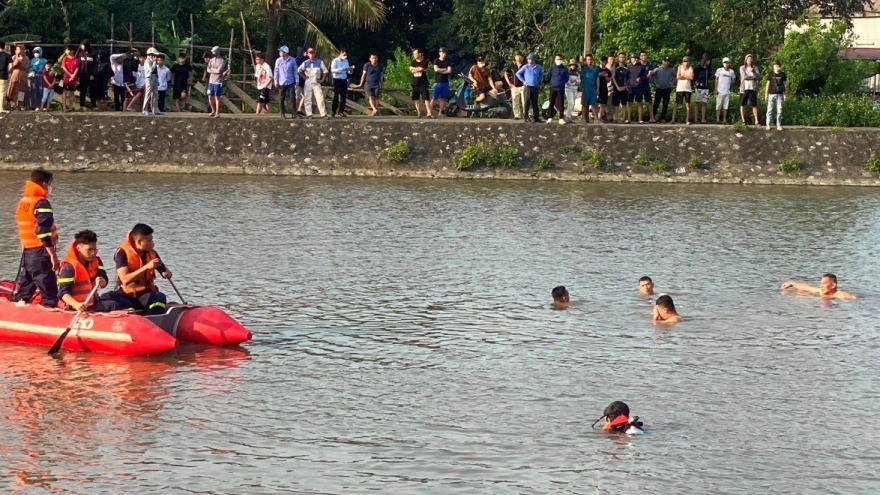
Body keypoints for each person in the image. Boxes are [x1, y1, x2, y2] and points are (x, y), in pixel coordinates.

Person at [11, 169, 59, 308]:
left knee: (27, 284)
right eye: (49, 184)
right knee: (48, 286)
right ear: (44, 184)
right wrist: (52, 255)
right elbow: (43, 232)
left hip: (27, 250)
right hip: (40, 250)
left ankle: (19, 305)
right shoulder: (41, 203)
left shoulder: (23, 202)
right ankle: (50, 309)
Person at [58, 230, 132, 312]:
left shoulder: (97, 260)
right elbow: (63, 293)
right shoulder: (68, 267)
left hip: (94, 302)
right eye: (89, 250)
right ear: (78, 248)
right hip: (78, 307)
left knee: (126, 302)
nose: (93, 253)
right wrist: (76, 304)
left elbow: (104, 279)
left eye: (94, 249)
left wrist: (103, 281)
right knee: (114, 305)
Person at [114, 223, 172, 315]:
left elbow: (165, 271)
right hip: (127, 295)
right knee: (110, 298)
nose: (152, 243)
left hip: (146, 295)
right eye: (149, 241)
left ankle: (153, 319)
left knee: (160, 297)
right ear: (139, 242)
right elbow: (124, 279)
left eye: (152, 240)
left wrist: (166, 273)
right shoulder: (122, 253)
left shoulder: (152, 253)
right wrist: (146, 267)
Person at [298, 47, 328, 119]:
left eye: (313, 53)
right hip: (308, 81)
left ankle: (323, 114)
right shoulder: (305, 63)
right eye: (310, 53)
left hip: (316, 81)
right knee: (307, 98)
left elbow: (325, 71)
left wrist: (322, 80)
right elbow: (299, 70)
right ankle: (309, 114)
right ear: (308, 54)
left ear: (314, 54)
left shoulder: (319, 62)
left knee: (320, 98)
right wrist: (304, 77)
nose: (312, 55)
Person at [781, 274, 855, 300]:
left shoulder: (840, 295)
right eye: (821, 283)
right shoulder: (821, 291)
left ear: (833, 285)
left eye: (824, 284)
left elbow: (853, 298)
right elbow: (806, 288)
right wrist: (792, 284)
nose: (821, 286)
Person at [516, 53, 542, 123]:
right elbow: (518, 73)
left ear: (533, 60)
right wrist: (523, 81)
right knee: (527, 101)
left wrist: (538, 81)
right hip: (528, 86)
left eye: (530, 59)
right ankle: (526, 117)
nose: (529, 60)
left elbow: (540, 75)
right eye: (528, 59)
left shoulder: (538, 67)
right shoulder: (526, 67)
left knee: (535, 102)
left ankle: (536, 117)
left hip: (535, 86)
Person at [274, 45, 299, 118]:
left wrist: (297, 79)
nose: (280, 53)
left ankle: (294, 113)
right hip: (282, 82)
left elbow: (295, 70)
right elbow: (276, 71)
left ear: (285, 53)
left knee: (292, 98)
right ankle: (282, 113)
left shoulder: (292, 60)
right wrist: (276, 81)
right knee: (281, 98)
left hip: (290, 81)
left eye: (281, 51)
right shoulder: (278, 60)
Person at [409, 48, 431, 118]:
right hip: (415, 82)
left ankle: (429, 113)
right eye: (413, 54)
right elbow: (411, 70)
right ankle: (419, 112)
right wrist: (418, 69)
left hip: (423, 82)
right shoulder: (413, 62)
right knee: (416, 98)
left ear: (419, 54)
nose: (414, 55)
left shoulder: (425, 61)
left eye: (415, 54)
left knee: (426, 98)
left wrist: (415, 69)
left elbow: (421, 68)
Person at [76, 40, 98, 110]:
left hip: (91, 75)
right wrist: (78, 75)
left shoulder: (93, 53)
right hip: (83, 75)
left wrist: (93, 74)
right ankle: (81, 106)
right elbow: (79, 65)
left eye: (82, 45)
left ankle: (94, 106)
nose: (81, 46)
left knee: (92, 91)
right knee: (83, 91)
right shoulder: (80, 54)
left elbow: (95, 65)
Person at [330, 48, 352, 117]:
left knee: (343, 96)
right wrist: (342, 69)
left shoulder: (346, 61)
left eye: (346, 55)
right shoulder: (335, 61)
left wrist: (350, 70)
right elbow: (333, 70)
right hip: (337, 79)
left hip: (344, 79)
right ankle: (333, 111)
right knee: (336, 95)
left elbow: (348, 71)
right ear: (340, 53)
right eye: (344, 55)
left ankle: (341, 111)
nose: (345, 56)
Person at [206, 46, 227, 118]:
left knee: (217, 97)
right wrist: (214, 70)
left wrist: (212, 69)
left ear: (218, 52)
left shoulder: (222, 61)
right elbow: (208, 69)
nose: (213, 53)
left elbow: (219, 71)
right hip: (211, 81)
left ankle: (217, 112)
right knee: (210, 97)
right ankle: (213, 111)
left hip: (218, 81)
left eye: (214, 52)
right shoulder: (211, 60)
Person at [671, 56, 693, 125]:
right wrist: (687, 77)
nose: (686, 63)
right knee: (676, 104)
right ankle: (673, 119)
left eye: (687, 61)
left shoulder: (691, 68)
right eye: (684, 61)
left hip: (688, 89)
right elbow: (678, 76)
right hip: (680, 88)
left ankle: (687, 120)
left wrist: (683, 76)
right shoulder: (680, 67)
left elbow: (691, 77)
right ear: (682, 62)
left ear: (689, 62)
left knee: (688, 104)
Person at [626, 52, 647, 124]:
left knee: (639, 103)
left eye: (635, 58)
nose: (633, 59)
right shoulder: (629, 66)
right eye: (632, 58)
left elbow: (645, 76)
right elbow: (626, 77)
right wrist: (626, 86)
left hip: (638, 87)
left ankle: (640, 119)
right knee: (629, 103)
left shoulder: (642, 66)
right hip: (631, 87)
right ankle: (628, 119)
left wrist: (640, 78)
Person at [652, 57, 675, 123]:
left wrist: (672, 82)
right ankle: (652, 117)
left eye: (668, 61)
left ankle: (663, 118)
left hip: (667, 89)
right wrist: (655, 83)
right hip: (659, 89)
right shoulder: (657, 69)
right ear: (662, 61)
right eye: (665, 61)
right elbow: (651, 76)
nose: (666, 63)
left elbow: (676, 76)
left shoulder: (671, 70)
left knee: (665, 104)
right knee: (656, 103)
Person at [739, 54, 760, 126]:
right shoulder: (742, 68)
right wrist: (753, 77)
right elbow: (744, 77)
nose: (750, 60)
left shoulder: (755, 68)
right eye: (748, 59)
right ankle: (743, 121)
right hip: (744, 89)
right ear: (746, 60)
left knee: (754, 105)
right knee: (742, 104)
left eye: (751, 59)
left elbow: (758, 77)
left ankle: (756, 120)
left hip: (752, 88)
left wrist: (754, 72)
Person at [766, 60, 787, 131]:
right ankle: (768, 124)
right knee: (770, 109)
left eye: (777, 66)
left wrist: (785, 94)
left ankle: (778, 125)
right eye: (775, 66)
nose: (776, 67)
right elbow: (767, 84)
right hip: (771, 94)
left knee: (779, 110)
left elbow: (785, 85)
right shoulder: (771, 74)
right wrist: (766, 94)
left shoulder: (783, 74)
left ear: (780, 67)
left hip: (779, 94)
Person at [547, 54, 568, 124]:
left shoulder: (564, 69)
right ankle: (550, 117)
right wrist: (552, 83)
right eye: (557, 59)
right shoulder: (552, 68)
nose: (559, 60)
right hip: (553, 87)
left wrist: (562, 83)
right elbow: (548, 77)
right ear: (554, 60)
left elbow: (567, 78)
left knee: (561, 103)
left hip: (561, 88)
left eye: (560, 59)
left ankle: (561, 118)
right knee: (551, 102)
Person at [714, 57, 736, 124]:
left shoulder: (731, 71)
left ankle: (724, 119)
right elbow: (716, 79)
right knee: (718, 105)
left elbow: (734, 79)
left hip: (727, 91)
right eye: (724, 62)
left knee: (725, 106)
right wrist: (716, 89)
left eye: (727, 62)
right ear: (722, 63)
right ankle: (717, 119)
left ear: (729, 63)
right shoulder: (719, 70)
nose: (726, 64)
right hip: (719, 91)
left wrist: (730, 83)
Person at [504, 51, 526, 119]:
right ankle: (517, 115)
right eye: (517, 56)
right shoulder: (512, 66)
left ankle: (527, 114)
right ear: (515, 57)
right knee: (515, 101)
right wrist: (509, 83)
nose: (518, 57)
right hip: (514, 86)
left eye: (520, 56)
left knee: (525, 101)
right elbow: (506, 73)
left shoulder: (525, 65)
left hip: (523, 86)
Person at [8, 44, 29, 110]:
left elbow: (26, 67)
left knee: (21, 90)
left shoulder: (26, 58)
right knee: (13, 89)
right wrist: (17, 61)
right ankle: (12, 104)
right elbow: (11, 67)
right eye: (18, 49)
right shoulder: (13, 57)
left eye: (21, 49)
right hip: (15, 74)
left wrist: (21, 62)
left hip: (22, 75)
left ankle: (20, 104)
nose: (19, 51)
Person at [432, 47, 452, 117]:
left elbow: (449, 71)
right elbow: (436, 70)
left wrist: (441, 70)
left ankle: (440, 112)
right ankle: (429, 112)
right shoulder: (436, 60)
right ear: (439, 53)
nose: (444, 54)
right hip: (438, 81)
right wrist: (444, 69)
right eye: (443, 53)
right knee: (434, 97)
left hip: (445, 82)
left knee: (443, 98)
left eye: (445, 53)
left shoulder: (448, 61)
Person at [579, 54, 599, 124]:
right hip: (586, 88)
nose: (589, 61)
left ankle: (596, 119)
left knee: (594, 104)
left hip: (593, 88)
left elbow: (597, 78)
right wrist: (582, 57)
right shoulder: (584, 67)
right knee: (584, 104)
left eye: (590, 59)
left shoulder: (596, 68)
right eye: (588, 59)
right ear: (586, 60)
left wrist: (598, 88)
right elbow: (581, 61)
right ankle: (583, 119)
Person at [60, 45, 80, 112]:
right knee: (65, 92)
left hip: (73, 78)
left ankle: (71, 107)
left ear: (72, 51)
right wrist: (70, 74)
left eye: (68, 50)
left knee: (71, 92)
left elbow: (77, 68)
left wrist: (73, 75)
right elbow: (64, 67)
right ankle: (64, 107)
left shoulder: (76, 59)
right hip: (66, 78)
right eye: (66, 50)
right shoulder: (65, 58)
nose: (67, 51)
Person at [693, 54, 712, 124]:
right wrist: (694, 83)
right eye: (707, 60)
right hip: (698, 87)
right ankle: (695, 119)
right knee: (697, 102)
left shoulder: (709, 69)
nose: (708, 62)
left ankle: (703, 119)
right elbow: (693, 76)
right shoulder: (698, 68)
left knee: (704, 103)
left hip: (706, 87)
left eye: (709, 60)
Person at [142, 47, 160, 116]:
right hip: (149, 78)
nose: (155, 57)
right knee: (148, 94)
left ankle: (155, 110)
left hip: (155, 78)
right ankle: (145, 109)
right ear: (150, 55)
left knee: (155, 94)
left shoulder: (152, 62)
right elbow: (151, 70)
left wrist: (157, 79)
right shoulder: (147, 61)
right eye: (154, 55)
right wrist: (154, 62)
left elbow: (156, 71)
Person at [612, 52, 629, 123]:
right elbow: (613, 77)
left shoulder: (627, 67)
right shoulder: (615, 67)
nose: (622, 58)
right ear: (618, 58)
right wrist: (617, 86)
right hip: (617, 88)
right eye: (620, 57)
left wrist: (625, 86)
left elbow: (629, 78)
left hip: (625, 88)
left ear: (625, 58)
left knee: (624, 104)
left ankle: (624, 118)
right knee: (616, 104)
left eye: (623, 57)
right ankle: (615, 118)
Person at [639, 51, 655, 122]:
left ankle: (652, 118)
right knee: (639, 102)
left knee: (649, 101)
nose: (643, 57)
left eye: (644, 55)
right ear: (640, 57)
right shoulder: (638, 64)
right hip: (639, 85)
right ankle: (640, 119)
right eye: (642, 55)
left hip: (646, 84)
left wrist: (642, 77)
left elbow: (649, 75)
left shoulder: (649, 64)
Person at [29, 46, 46, 111]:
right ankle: (35, 105)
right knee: (34, 91)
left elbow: (47, 68)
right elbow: (29, 68)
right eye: (34, 52)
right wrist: (31, 72)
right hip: (33, 77)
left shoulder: (44, 61)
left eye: (37, 52)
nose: (36, 54)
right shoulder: (31, 61)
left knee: (42, 91)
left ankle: (42, 105)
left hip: (42, 77)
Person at [564, 59, 580, 124]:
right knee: (571, 102)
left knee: (573, 104)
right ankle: (567, 117)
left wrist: (574, 82)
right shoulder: (567, 72)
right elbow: (567, 82)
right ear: (570, 65)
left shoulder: (577, 73)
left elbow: (578, 82)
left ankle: (569, 117)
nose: (573, 66)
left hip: (575, 90)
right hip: (568, 89)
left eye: (574, 65)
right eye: (571, 65)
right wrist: (574, 82)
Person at [597, 55, 612, 122]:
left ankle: (600, 117)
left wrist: (605, 76)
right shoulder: (596, 69)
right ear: (600, 61)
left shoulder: (608, 70)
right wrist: (600, 74)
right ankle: (595, 117)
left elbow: (609, 80)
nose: (604, 63)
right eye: (603, 62)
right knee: (596, 103)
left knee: (603, 103)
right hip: (596, 87)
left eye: (605, 62)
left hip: (604, 88)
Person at [0, 43, 11, 114]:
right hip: (3, 76)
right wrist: (8, 72)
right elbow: (10, 67)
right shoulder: (7, 56)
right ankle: (1, 108)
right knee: (2, 93)